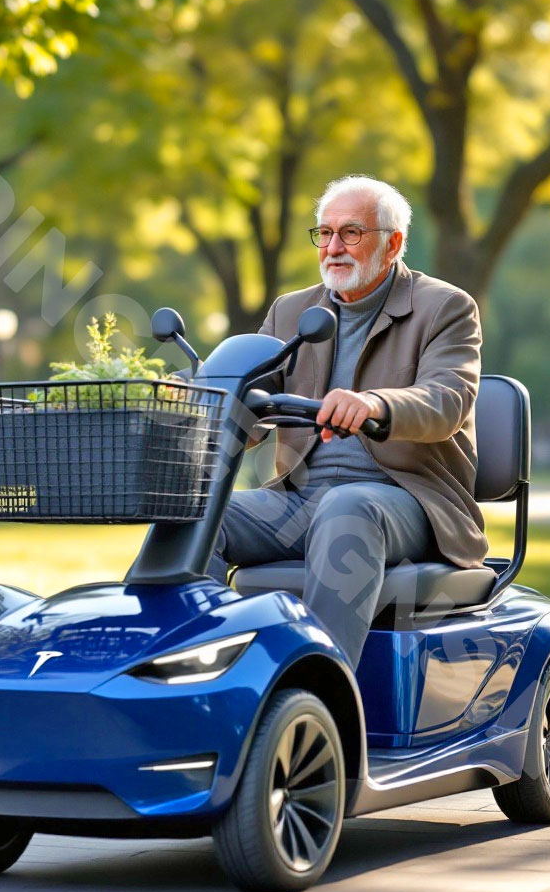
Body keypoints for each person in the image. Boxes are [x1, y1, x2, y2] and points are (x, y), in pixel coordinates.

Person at [207, 175, 488, 668]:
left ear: (393, 243)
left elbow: (447, 400)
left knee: (348, 504)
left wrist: (377, 404)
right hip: (301, 499)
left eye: (351, 233)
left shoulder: (445, 307)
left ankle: (322, 697)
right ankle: (186, 673)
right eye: (325, 233)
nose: (333, 247)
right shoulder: (291, 311)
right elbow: (249, 411)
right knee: (199, 514)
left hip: (410, 500)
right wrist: (193, 404)